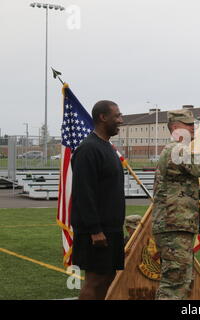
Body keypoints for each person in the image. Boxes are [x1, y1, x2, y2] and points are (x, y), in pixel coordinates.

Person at [151, 109, 200, 300]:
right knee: (174, 285)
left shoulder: (174, 151)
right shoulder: (177, 150)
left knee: (179, 281)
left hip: (175, 225)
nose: (193, 129)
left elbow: (179, 191)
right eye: (189, 125)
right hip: (174, 226)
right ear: (176, 127)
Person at [71, 100, 125, 300]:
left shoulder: (107, 147)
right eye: (117, 116)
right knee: (94, 281)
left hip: (111, 228)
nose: (121, 120)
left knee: (107, 277)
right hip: (96, 232)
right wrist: (95, 230)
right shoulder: (88, 149)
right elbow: (84, 193)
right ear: (103, 118)